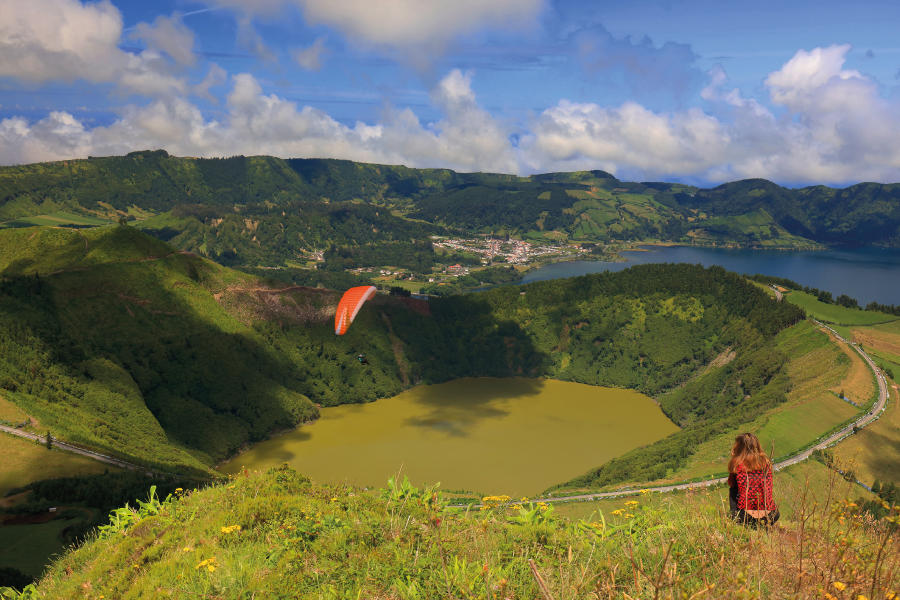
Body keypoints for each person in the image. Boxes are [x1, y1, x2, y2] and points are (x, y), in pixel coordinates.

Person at [727, 432, 779, 527]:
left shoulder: (737, 464)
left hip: (746, 517)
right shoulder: (766, 462)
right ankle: (763, 523)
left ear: (739, 447)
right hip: (771, 516)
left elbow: (731, 483)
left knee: (733, 489)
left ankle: (735, 517)